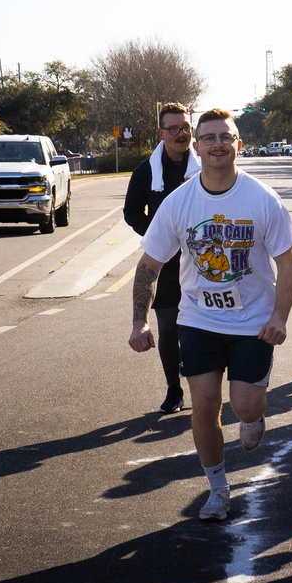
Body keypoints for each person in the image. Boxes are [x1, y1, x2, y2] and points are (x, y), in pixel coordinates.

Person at [128, 109, 292, 522]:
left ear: (238, 144)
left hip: (253, 322)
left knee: (244, 406)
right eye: (209, 138)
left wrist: (279, 317)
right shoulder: (179, 202)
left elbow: (289, 263)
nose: (218, 144)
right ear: (197, 146)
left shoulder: (261, 199)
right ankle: (218, 489)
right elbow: (148, 266)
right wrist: (139, 321)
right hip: (199, 320)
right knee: (204, 404)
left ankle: (253, 415)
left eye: (226, 136)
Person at [122, 102, 201, 413]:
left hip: (203, 262)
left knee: (204, 329)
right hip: (166, 265)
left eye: (185, 128)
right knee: (169, 328)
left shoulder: (204, 164)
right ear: (161, 132)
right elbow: (131, 213)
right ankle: (174, 390)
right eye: (173, 129)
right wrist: (160, 238)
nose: (181, 134)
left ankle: (206, 387)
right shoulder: (146, 171)